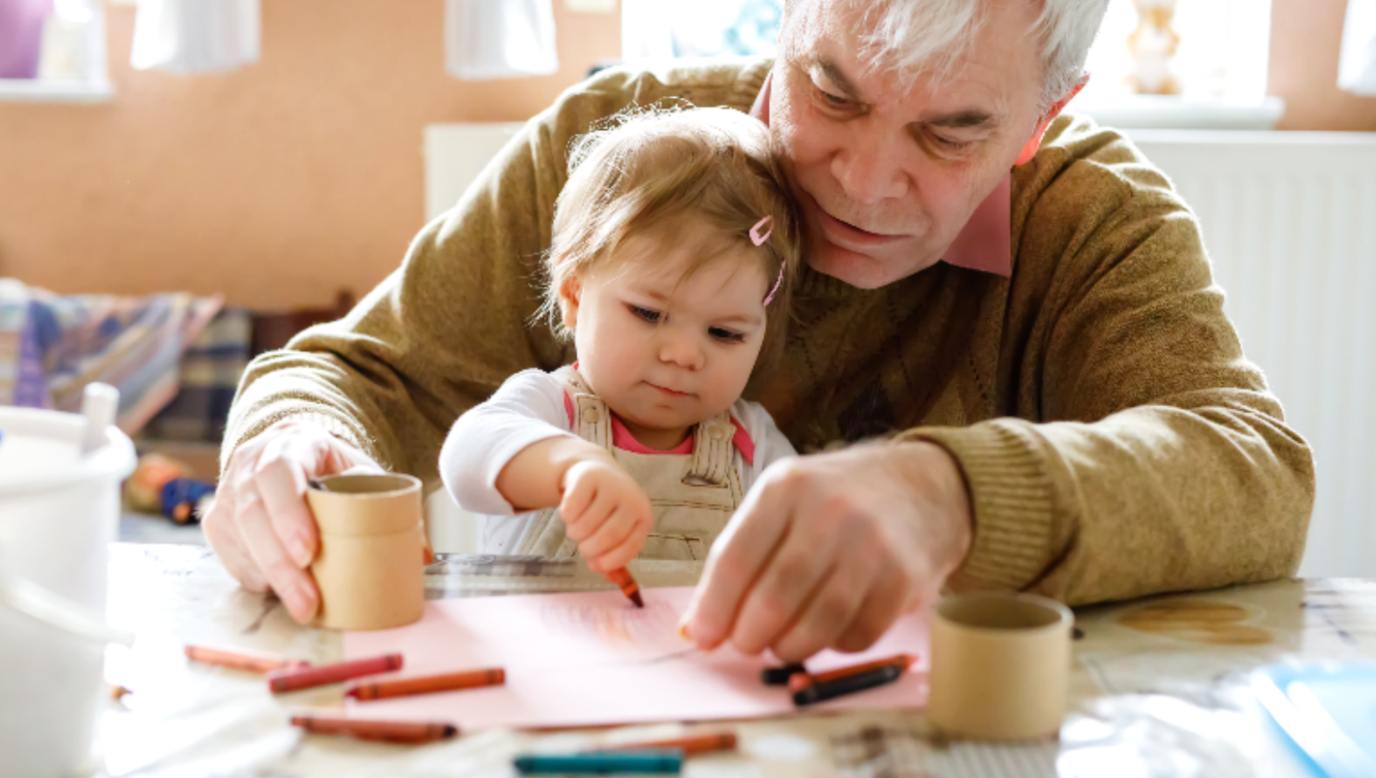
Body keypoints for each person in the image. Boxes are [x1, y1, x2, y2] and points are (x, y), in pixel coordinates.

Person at [205, 0, 1315, 664]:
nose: (865, 180)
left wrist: (950, 493)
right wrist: (289, 441)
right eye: (831, 89)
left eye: (948, 132)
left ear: (1040, 122)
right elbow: (356, 374)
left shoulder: (1091, 221)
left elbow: (1254, 473)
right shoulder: (616, 150)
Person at [439, 106, 799, 570]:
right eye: (649, 313)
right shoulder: (551, 408)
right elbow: (465, 458)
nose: (684, 354)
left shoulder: (750, 443)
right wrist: (568, 467)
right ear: (573, 292)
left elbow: (810, 532)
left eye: (725, 333)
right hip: (545, 642)